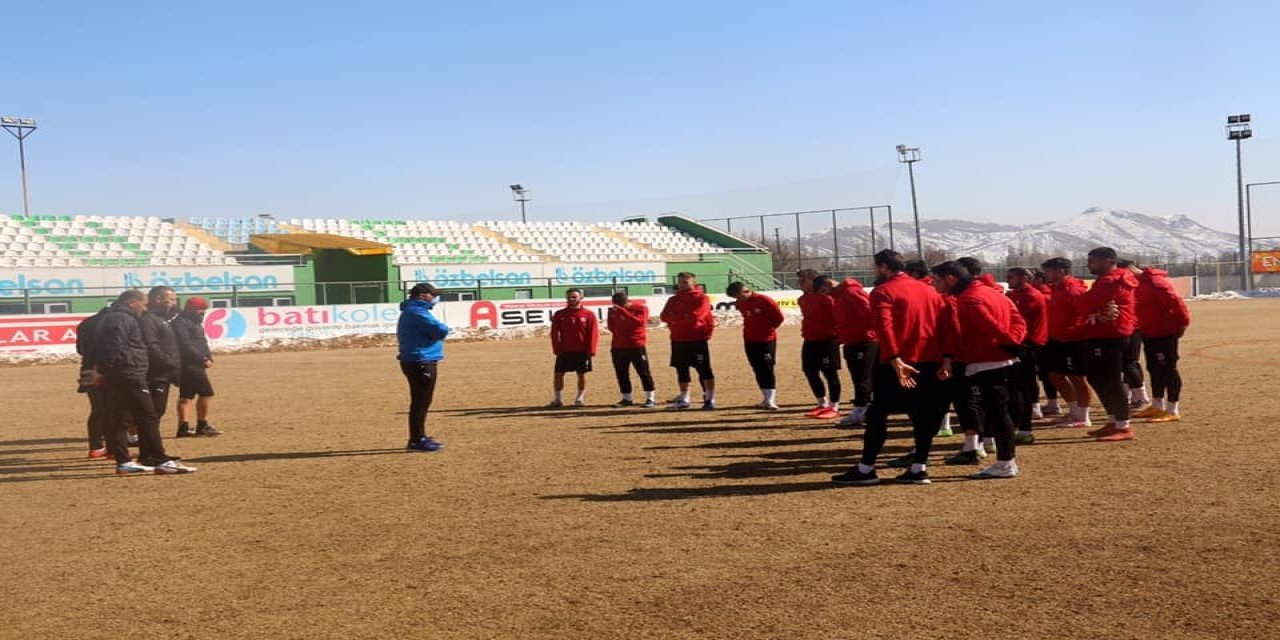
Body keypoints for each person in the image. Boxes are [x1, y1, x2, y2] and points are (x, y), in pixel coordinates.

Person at [831, 250, 948, 485]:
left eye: (876, 267)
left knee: (877, 415)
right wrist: (945, 358)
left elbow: (885, 327)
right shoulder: (929, 290)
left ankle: (866, 469)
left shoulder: (883, 291)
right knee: (922, 416)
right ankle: (919, 467)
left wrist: (895, 358)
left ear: (884, 267)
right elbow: (942, 324)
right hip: (929, 359)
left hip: (900, 362)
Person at [937, 261, 1028, 478]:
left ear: (951, 279)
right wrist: (1013, 342)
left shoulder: (969, 299)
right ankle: (1004, 461)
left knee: (997, 413)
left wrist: (1008, 342)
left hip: (986, 359)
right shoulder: (989, 292)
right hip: (997, 358)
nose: (934, 283)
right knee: (998, 411)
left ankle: (1006, 463)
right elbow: (1017, 319)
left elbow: (989, 325)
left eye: (937, 279)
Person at [96, 289, 195, 475]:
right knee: (148, 416)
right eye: (143, 304)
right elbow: (114, 347)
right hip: (129, 373)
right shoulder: (123, 319)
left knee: (121, 418)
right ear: (132, 302)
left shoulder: (114, 317)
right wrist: (109, 369)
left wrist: (105, 371)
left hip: (123, 373)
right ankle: (158, 459)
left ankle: (125, 462)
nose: (145, 308)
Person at [1077, 247, 1139, 441]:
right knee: (1098, 378)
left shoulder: (1110, 281)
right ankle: (1114, 420)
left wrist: (1089, 308)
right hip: (1105, 333)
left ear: (1108, 260)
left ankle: (1123, 425)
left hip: (1111, 335)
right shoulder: (1110, 281)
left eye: (1093, 261)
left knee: (1110, 380)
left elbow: (1084, 303)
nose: (1089, 265)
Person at [1128, 262, 1191, 422]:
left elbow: (1176, 303)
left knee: (1168, 369)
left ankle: (1172, 409)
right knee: (1154, 369)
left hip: (1164, 332)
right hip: (1148, 332)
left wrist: (1183, 323)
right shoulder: (1137, 284)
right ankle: (1157, 405)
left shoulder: (1156, 283)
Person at [1041, 257, 1094, 429]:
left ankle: (1083, 417)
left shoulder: (1073, 290)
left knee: (1078, 378)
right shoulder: (1056, 289)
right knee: (1054, 375)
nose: (1045, 274)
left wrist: (1075, 330)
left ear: (1061, 271)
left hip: (1075, 341)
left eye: (1048, 271)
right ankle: (1074, 411)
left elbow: (1086, 313)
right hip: (1058, 339)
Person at [396, 282, 448, 451]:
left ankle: (418, 436)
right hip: (421, 361)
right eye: (433, 295)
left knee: (421, 400)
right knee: (421, 401)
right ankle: (417, 439)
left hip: (416, 359)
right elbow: (440, 329)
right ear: (424, 295)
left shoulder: (412, 311)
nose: (435, 298)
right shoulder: (418, 312)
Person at [824, 276, 878, 427]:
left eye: (825, 291)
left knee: (863, 377)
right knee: (858, 377)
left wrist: (862, 332)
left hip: (864, 340)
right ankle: (864, 410)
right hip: (852, 341)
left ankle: (861, 411)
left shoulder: (851, 292)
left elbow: (869, 313)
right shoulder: (839, 297)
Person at [660, 272, 716, 410]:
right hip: (678, 339)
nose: (682, 285)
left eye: (686, 282)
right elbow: (664, 316)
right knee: (681, 370)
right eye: (680, 282)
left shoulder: (702, 298)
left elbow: (696, 316)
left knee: (704, 369)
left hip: (697, 339)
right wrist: (683, 318)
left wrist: (677, 318)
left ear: (693, 282)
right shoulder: (673, 300)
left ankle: (709, 398)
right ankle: (684, 398)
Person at [727, 281, 785, 409]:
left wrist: (767, 330)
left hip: (766, 340)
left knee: (767, 368)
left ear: (745, 291)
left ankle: (771, 400)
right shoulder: (740, 302)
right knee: (757, 368)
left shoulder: (765, 301)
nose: (738, 300)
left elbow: (779, 318)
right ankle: (765, 398)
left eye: (739, 296)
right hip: (749, 340)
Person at [1006, 267, 1048, 444]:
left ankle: (1025, 427)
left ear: (1024, 278)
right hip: (1021, 343)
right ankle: (1020, 425)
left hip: (1028, 344)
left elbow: (1015, 318)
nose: (1008, 279)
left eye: (1011, 277)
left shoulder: (1030, 295)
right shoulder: (1016, 294)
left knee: (1024, 385)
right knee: (1017, 386)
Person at [173, 297, 221, 437]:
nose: (203, 314)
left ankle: (183, 427)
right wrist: (203, 359)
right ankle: (202, 425)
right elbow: (185, 345)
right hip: (190, 364)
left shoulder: (193, 322)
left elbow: (201, 342)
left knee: (186, 396)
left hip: (193, 364)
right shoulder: (181, 323)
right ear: (191, 310)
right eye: (201, 311)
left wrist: (208, 356)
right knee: (206, 393)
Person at [797, 270, 842, 419]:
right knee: (810, 371)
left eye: (803, 280)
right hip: (810, 340)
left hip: (828, 340)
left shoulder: (826, 298)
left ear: (812, 281)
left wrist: (838, 336)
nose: (800, 284)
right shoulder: (802, 299)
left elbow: (837, 318)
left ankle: (834, 406)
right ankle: (822, 403)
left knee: (830, 373)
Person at [138, 286, 182, 425]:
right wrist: (168, 361)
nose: (174, 303)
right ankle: (138, 436)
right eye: (171, 299)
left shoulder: (163, 319)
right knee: (153, 410)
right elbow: (150, 345)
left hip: (163, 372)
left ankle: (142, 435)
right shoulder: (149, 319)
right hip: (154, 373)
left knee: (158, 410)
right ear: (157, 299)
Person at [549, 288, 599, 407]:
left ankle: (579, 398)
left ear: (581, 298)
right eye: (569, 297)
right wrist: (557, 348)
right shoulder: (559, 314)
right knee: (558, 374)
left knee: (581, 374)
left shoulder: (589, 314)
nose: (571, 299)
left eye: (574, 297)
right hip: (564, 351)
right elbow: (554, 333)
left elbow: (593, 333)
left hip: (582, 351)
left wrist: (591, 350)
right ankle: (558, 399)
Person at [606, 291, 657, 408]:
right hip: (618, 346)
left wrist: (622, 311)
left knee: (643, 372)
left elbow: (638, 322)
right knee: (621, 373)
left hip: (636, 345)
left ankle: (650, 398)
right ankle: (626, 398)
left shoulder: (641, 308)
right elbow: (611, 327)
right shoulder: (613, 311)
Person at [75, 306, 110, 458]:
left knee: (97, 409)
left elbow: (80, 349)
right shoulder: (114, 321)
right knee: (114, 410)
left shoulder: (85, 323)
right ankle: (114, 447)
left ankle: (96, 446)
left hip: (88, 368)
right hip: (107, 369)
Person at [1116, 260, 1151, 410]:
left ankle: (1141, 397)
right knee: (1128, 363)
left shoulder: (1135, 281)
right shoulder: (1133, 281)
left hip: (1132, 326)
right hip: (1132, 325)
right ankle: (1131, 396)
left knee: (1129, 363)